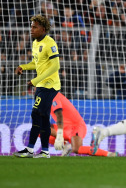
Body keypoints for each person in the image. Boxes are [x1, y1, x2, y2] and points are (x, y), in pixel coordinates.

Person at [13, 14, 61, 159]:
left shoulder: (50, 43)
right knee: (44, 117)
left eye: (35, 27)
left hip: (50, 85)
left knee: (36, 113)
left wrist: (36, 80)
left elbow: (55, 65)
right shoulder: (35, 43)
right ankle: (45, 151)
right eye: (31, 27)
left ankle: (30, 149)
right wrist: (24, 66)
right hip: (41, 85)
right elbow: (36, 63)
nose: (31, 29)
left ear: (43, 29)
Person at [49, 92, 116, 157]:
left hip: (75, 126)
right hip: (64, 128)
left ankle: (109, 154)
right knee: (40, 126)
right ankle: (66, 145)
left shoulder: (53, 95)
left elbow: (59, 115)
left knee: (76, 149)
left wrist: (59, 136)